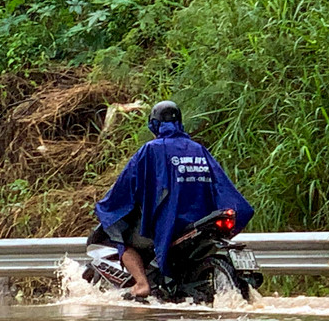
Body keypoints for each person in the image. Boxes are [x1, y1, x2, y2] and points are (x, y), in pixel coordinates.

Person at [94, 100, 253, 299]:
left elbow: (126, 185)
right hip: (199, 222)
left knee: (123, 239)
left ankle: (142, 284)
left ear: (154, 124)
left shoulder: (150, 150)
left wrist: (107, 207)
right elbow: (220, 185)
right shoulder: (198, 149)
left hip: (169, 225)